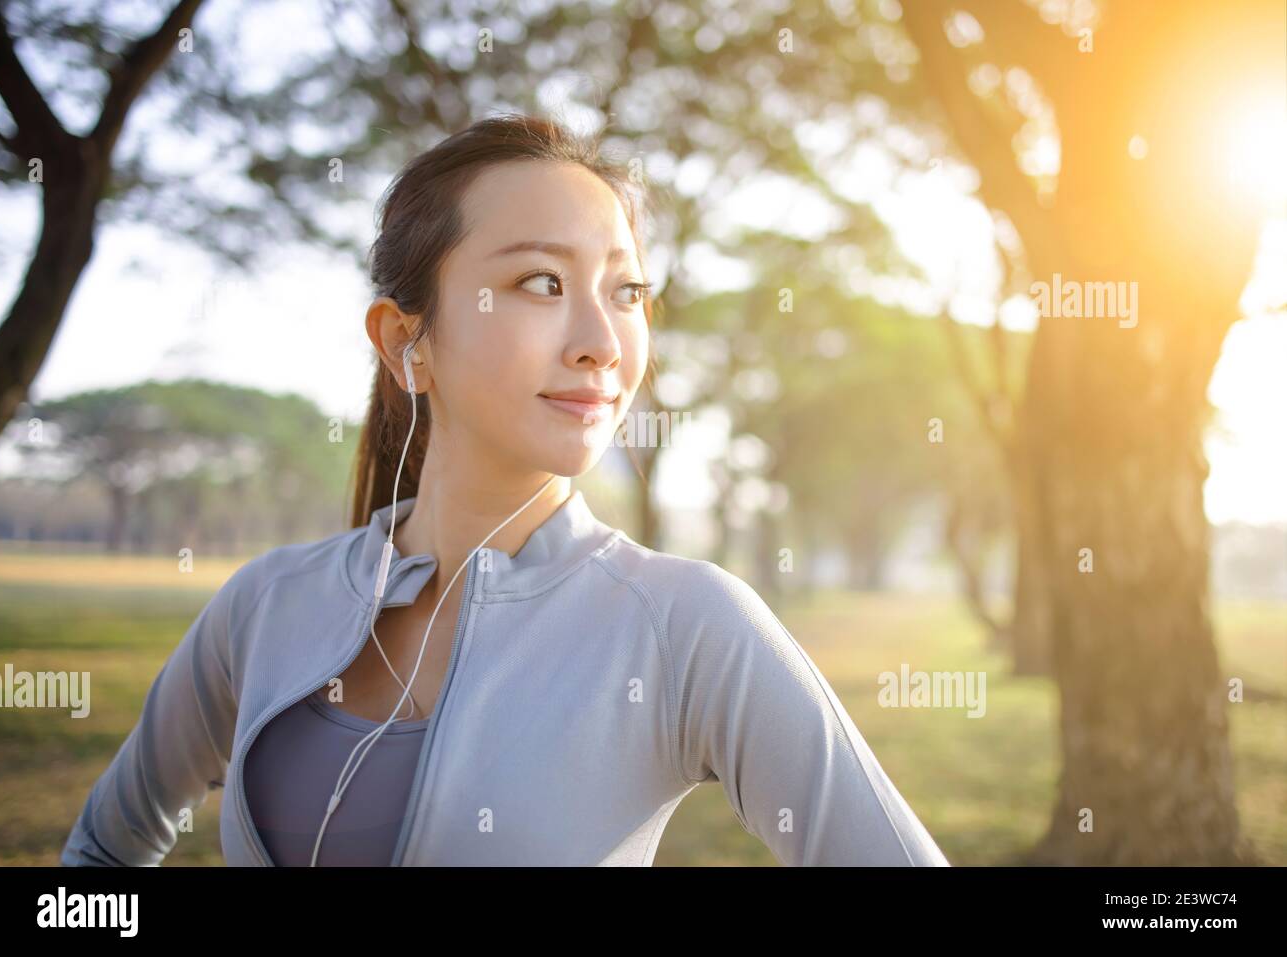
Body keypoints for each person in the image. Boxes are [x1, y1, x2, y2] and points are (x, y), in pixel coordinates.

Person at [59, 112, 949, 867]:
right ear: (407, 341)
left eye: (627, 289)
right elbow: (96, 861)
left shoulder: (686, 627)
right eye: (540, 282)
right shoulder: (266, 602)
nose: (603, 339)